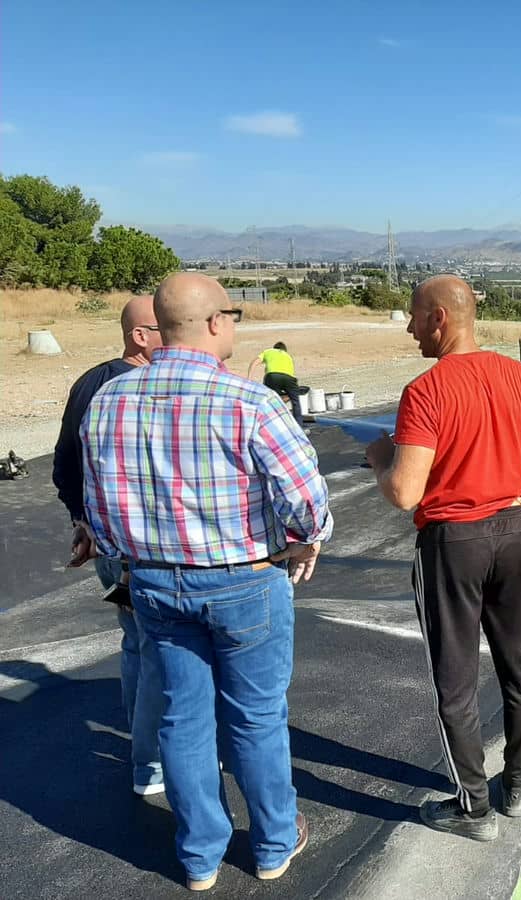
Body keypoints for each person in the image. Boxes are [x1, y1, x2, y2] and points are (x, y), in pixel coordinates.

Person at [80, 273, 332, 892]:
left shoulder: (109, 399)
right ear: (216, 322)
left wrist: (130, 559)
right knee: (255, 719)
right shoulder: (250, 401)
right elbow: (306, 500)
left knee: (181, 720)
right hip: (244, 582)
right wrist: (306, 536)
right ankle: (273, 843)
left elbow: (101, 511)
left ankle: (199, 858)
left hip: (157, 586)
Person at [365, 275, 521, 842]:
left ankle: (472, 807)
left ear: (441, 319)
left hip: (454, 543)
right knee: (520, 667)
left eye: (416, 317)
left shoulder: (426, 391)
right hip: (513, 534)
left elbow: (404, 492)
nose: (411, 328)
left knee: (456, 679)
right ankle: (515, 790)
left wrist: (380, 458)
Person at [52, 294, 166, 797]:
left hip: (107, 539)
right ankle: (154, 761)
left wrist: (83, 521)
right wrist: (89, 522)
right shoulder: (116, 383)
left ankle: (150, 758)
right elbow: (74, 463)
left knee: (137, 644)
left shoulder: (94, 381)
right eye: (166, 327)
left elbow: (66, 466)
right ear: (138, 335)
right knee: (157, 649)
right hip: (132, 545)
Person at [248, 341, 305, 420]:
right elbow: (290, 376)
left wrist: (249, 378)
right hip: (289, 379)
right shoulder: (288, 356)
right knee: (295, 402)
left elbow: (254, 362)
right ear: (284, 350)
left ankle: (267, 421)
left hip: (272, 376)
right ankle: (299, 426)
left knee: (269, 399)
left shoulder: (268, 351)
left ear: (274, 348)